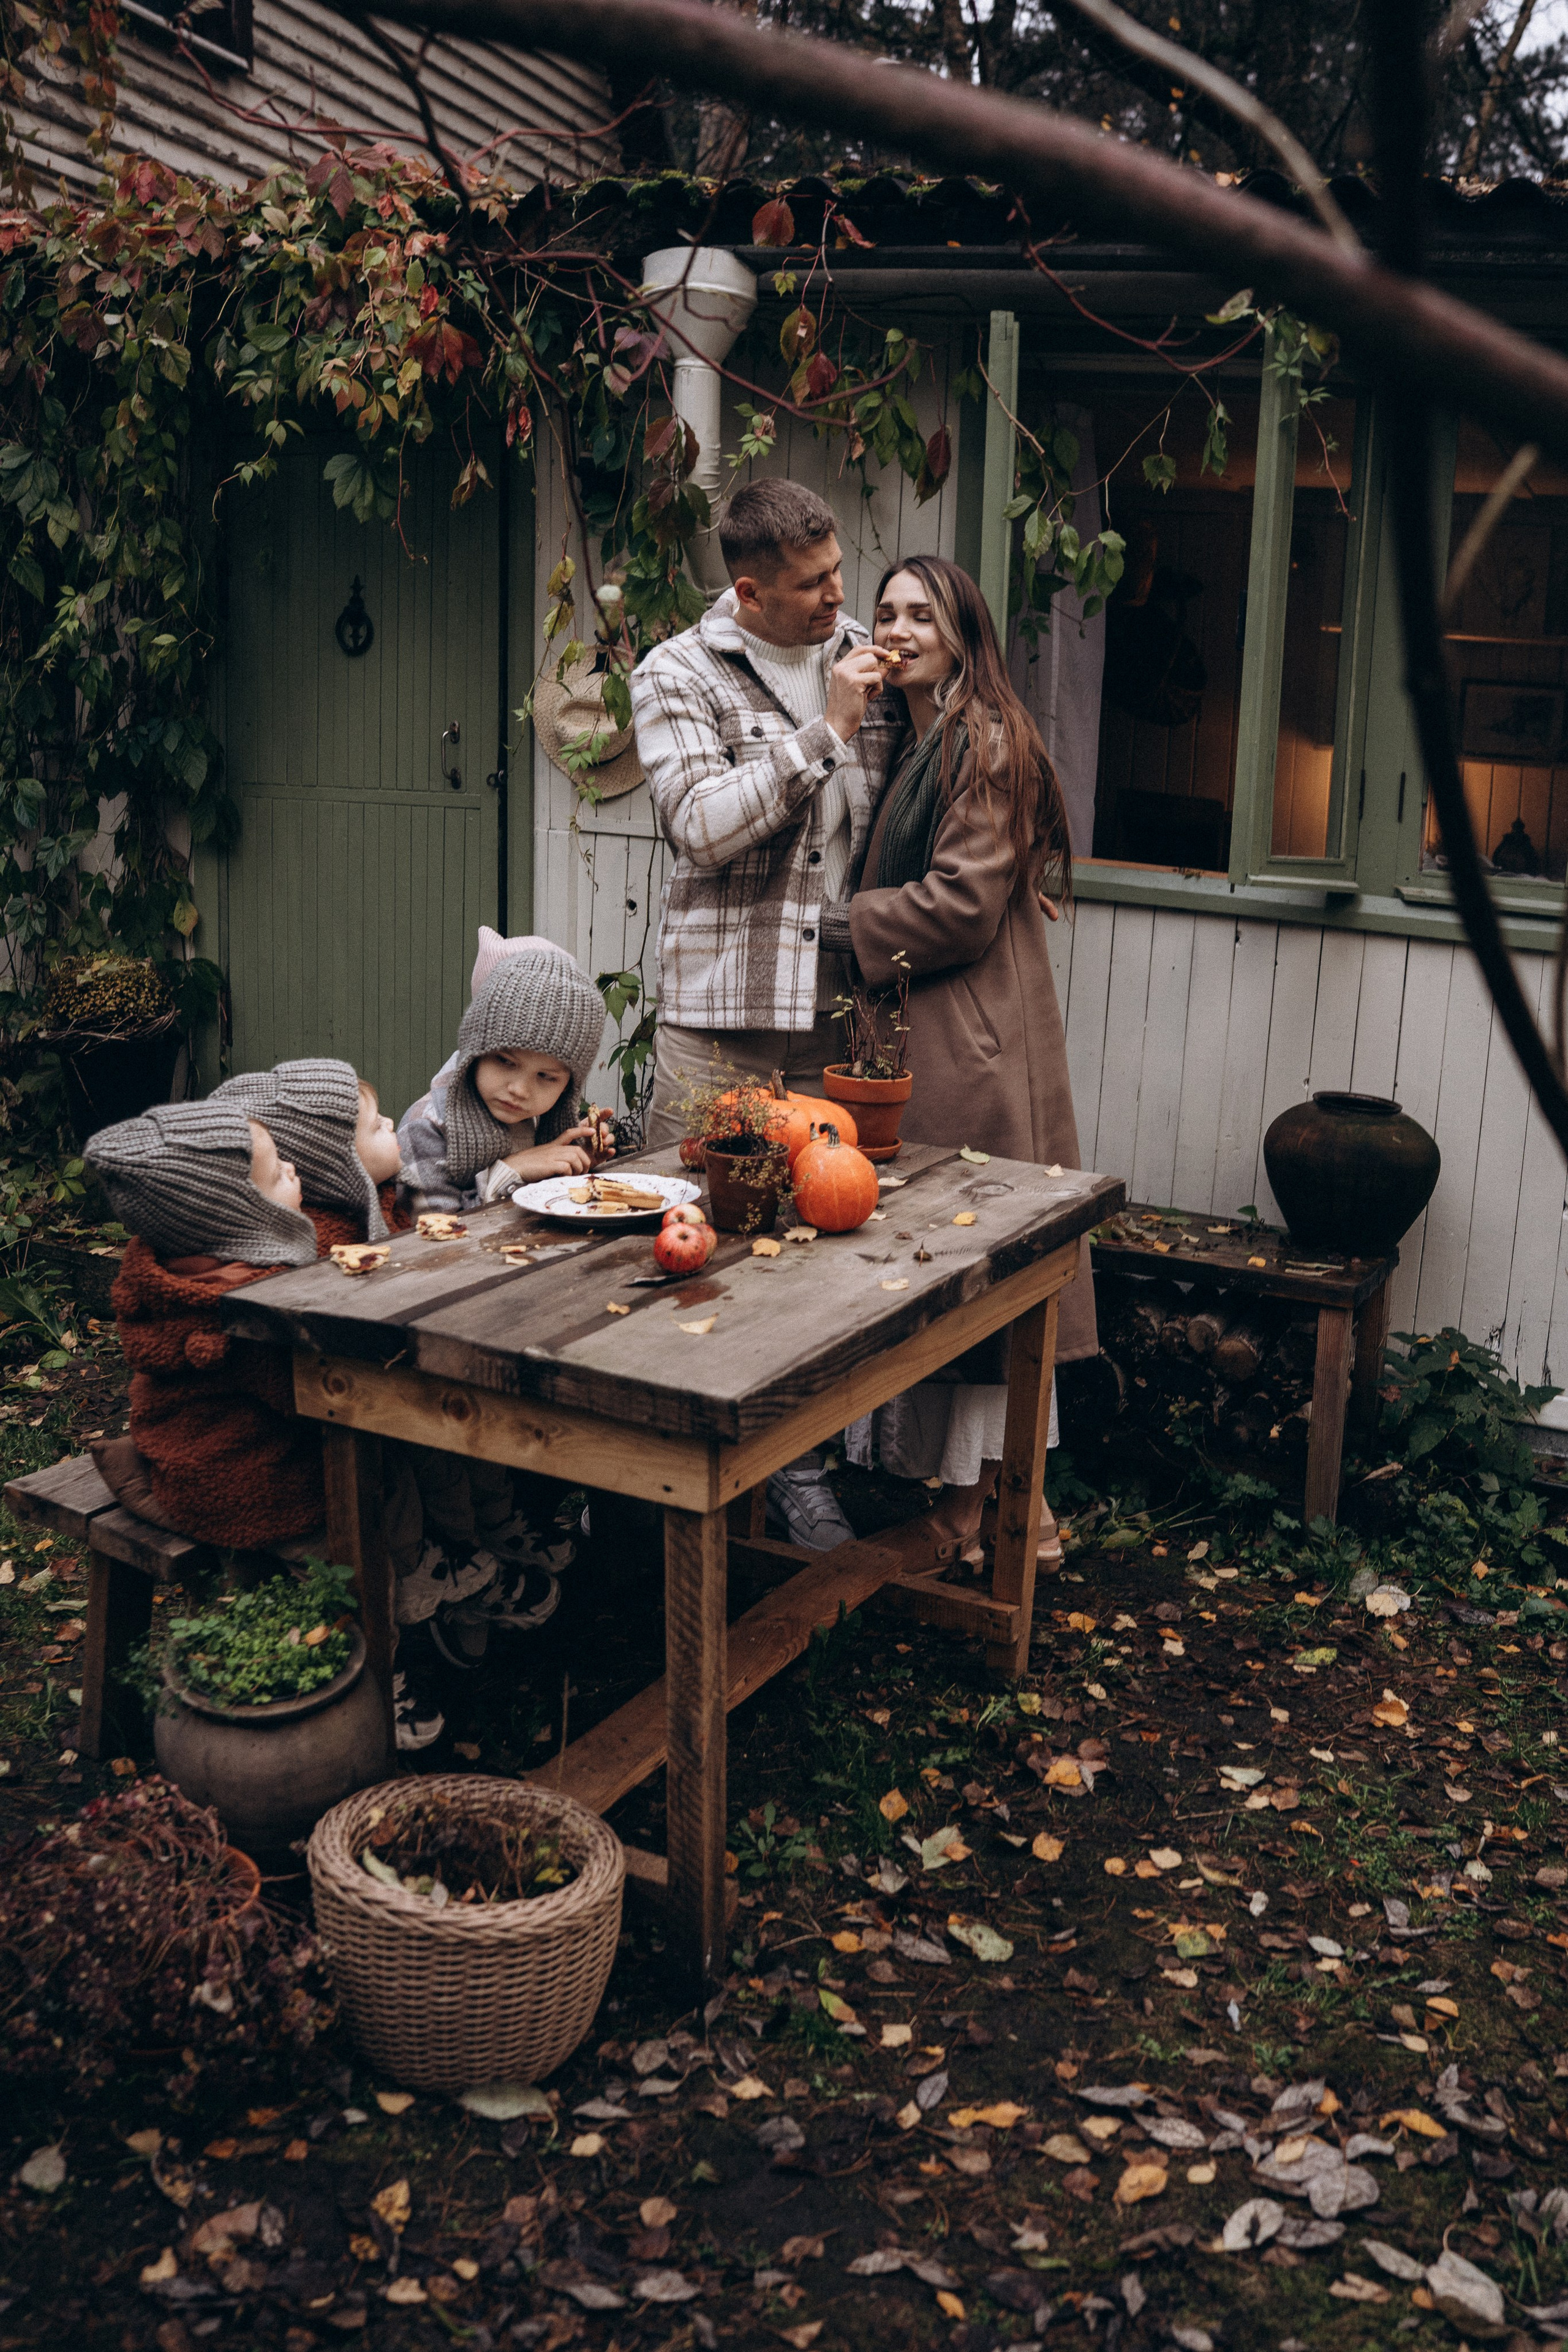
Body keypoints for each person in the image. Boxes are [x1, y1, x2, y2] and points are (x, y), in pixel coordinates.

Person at [630, 478, 903, 1549]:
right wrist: (823, 732)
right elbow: (699, 827)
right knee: (690, 1245)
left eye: (840, 569)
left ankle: (796, 1473)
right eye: (810, 584)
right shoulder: (678, 674)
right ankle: (659, 1483)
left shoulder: (857, 662)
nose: (840, 596)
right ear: (748, 590)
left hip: (831, 1019)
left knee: (816, 1255)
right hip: (722, 1018)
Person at [824, 554, 1096, 1562]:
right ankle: (1013, 1512)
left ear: (963, 632)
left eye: (920, 615)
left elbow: (961, 906)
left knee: (983, 1280)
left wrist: (843, 925)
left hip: (974, 1040)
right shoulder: (928, 730)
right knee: (964, 1273)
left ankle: (980, 1512)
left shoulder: (980, 739)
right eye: (886, 612)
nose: (896, 630)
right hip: (947, 1032)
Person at [397, 941, 608, 1215]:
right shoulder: (425, 1130)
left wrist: (571, 1162)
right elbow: (434, 1239)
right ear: (475, 1052)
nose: (520, 1090)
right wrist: (510, 1174)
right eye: (505, 1061)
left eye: (546, 1077)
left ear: (570, 1086)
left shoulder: (536, 1117)